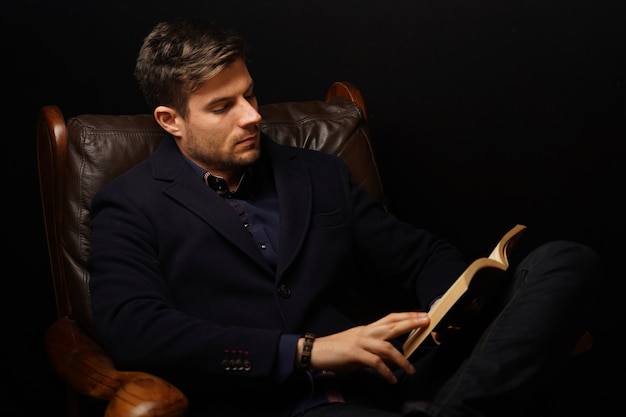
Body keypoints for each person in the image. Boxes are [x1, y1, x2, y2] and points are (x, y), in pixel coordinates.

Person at [88, 18, 599, 417]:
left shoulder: (317, 174)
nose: (252, 115)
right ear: (170, 120)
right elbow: (137, 330)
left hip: (393, 378)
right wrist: (304, 352)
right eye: (223, 106)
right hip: (281, 404)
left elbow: (423, 255)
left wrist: (452, 308)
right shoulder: (129, 204)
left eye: (250, 94)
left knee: (563, 261)